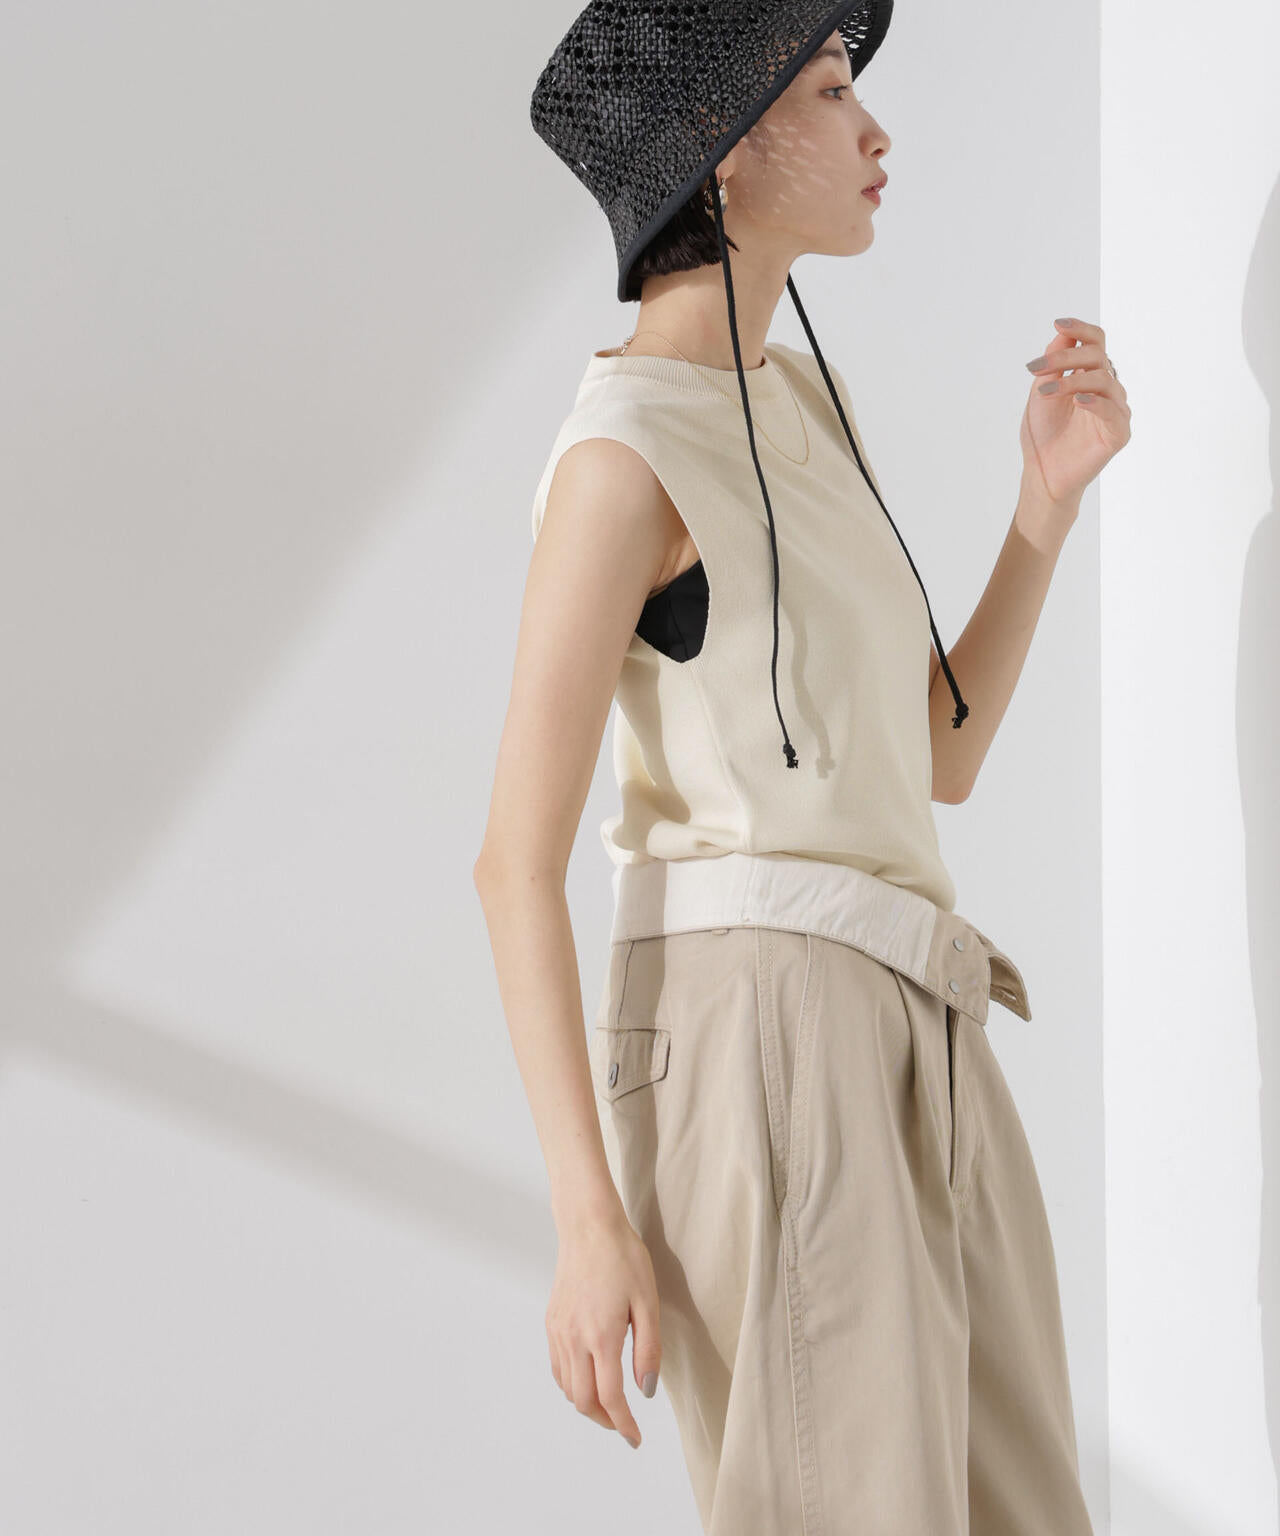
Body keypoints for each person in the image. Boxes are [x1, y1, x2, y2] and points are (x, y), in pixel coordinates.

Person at [474, 3, 1130, 1530]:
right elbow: (514, 860)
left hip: (914, 1008)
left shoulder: (799, 404)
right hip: (756, 1021)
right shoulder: (622, 455)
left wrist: (1042, 510)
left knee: (1022, 1507)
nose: (875, 129)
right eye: (832, 93)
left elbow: (937, 757)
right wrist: (587, 1219)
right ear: (720, 151)